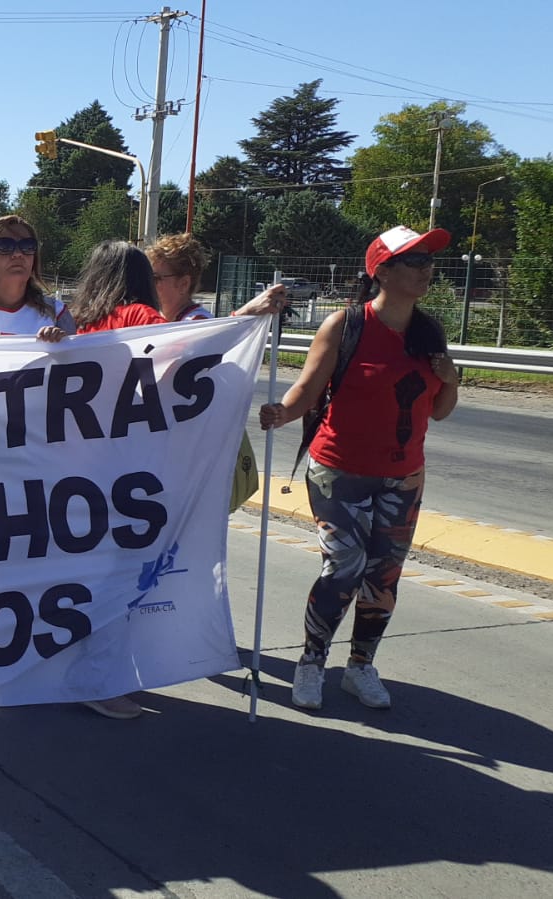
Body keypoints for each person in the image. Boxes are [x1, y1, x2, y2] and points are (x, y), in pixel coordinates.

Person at [258, 225, 461, 711]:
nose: (426, 270)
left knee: (383, 575)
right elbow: (309, 387)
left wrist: (451, 381)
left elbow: (438, 410)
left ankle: (360, 666)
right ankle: (311, 663)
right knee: (344, 567)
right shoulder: (346, 325)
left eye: (428, 261)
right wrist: (284, 412)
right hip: (340, 470)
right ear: (382, 272)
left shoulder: (429, 332)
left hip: (404, 475)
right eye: (415, 262)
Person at [0, 215, 73, 341]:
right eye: (5, 246)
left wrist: (63, 344)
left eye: (27, 246)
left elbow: (76, 357)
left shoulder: (56, 312)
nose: (18, 254)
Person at [146, 232, 289, 321]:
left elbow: (216, 341)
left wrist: (242, 314)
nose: (148, 283)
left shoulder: (196, 322)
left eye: (155, 278)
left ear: (183, 284)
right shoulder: (154, 318)